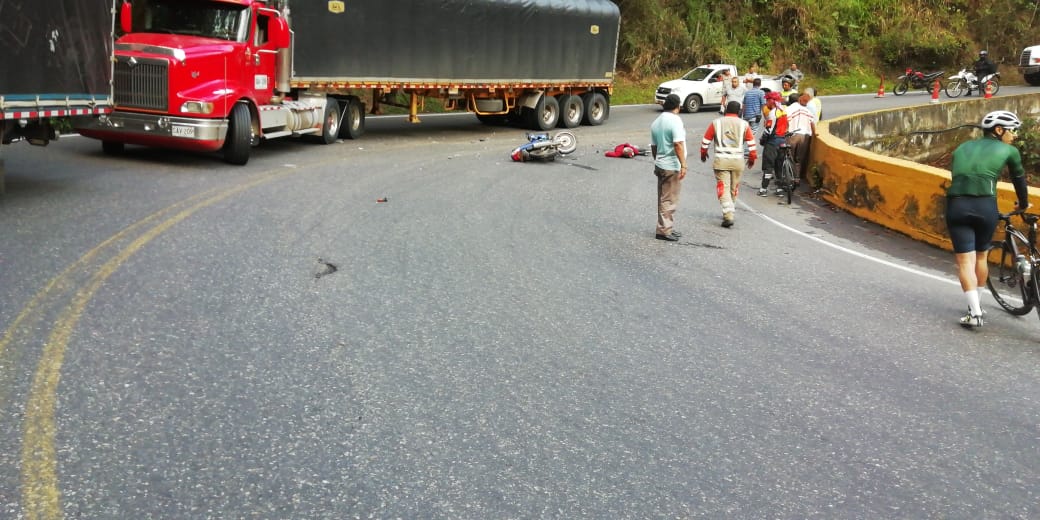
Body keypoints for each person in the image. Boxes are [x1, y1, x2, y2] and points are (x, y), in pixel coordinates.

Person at [947, 110, 1030, 328]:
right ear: (999, 130)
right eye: (1012, 131)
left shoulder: (961, 148)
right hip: (986, 207)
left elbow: (958, 175)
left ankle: (974, 312)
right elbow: (1019, 182)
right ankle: (977, 306)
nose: (1014, 136)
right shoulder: (1009, 151)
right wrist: (1022, 204)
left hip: (957, 205)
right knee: (981, 257)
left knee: (965, 261)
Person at [700, 101, 757, 228]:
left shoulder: (716, 123)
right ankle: (730, 210)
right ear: (739, 111)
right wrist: (752, 158)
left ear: (726, 109)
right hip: (738, 161)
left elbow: (705, 141)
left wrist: (703, 153)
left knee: (723, 187)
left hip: (721, 161)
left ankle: (728, 214)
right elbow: (752, 145)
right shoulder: (744, 124)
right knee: (733, 187)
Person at [650, 94, 688, 242]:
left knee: (663, 197)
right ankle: (664, 230)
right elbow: (678, 143)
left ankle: (665, 226)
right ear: (677, 106)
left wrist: (658, 159)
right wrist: (683, 164)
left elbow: (654, 146)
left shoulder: (656, 122)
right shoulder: (675, 120)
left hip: (660, 164)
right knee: (669, 199)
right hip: (671, 165)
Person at [757, 91, 788, 196]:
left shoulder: (773, 113)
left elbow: (768, 130)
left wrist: (762, 140)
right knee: (779, 166)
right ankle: (779, 190)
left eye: (767, 100)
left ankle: (763, 189)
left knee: (768, 166)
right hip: (782, 141)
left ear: (772, 101)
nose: (766, 103)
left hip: (773, 142)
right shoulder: (784, 110)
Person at [784, 93, 817, 183]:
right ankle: (797, 178)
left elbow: (785, 122)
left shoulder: (788, 109)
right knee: (799, 158)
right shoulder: (806, 110)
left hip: (792, 135)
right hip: (804, 136)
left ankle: (789, 176)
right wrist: (815, 134)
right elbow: (812, 124)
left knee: (789, 156)